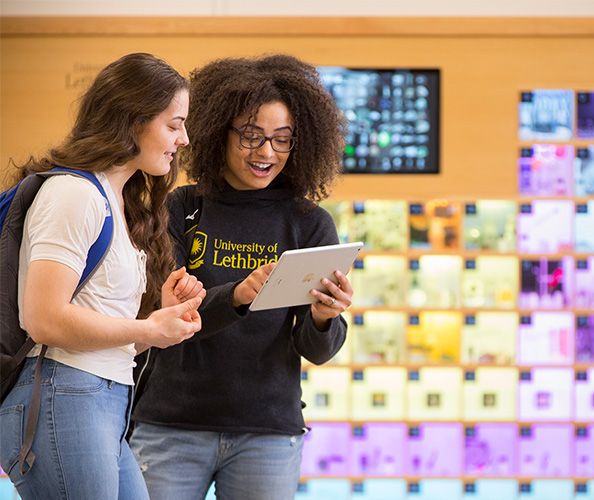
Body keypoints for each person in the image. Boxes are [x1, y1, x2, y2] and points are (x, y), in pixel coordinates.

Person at [129, 54, 352, 499]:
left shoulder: (309, 224)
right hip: (171, 422)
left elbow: (316, 349)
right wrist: (239, 295)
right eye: (251, 136)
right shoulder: (179, 208)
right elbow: (164, 319)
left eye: (282, 140)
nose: (266, 153)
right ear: (217, 132)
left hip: (266, 429)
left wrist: (326, 318)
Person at [0, 53, 205, 499]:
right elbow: (44, 319)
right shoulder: (74, 193)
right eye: (173, 125)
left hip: (100, 397)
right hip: (63, 391)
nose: (184, 138)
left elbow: (103, 326)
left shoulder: (117, 200)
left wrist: (159, 325)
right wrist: (146, 326)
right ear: (133, 121)